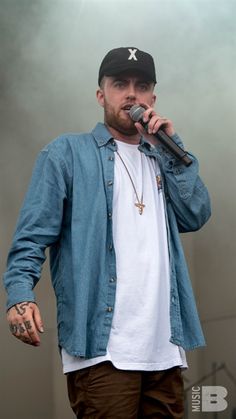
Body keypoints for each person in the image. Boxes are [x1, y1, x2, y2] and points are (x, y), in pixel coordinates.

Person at [3, 47, 211, 418]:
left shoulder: (162, 160)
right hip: (103, 352)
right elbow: (32, 238)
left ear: (152, 98)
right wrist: (20, 296)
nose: (132, 94)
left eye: (142, 85)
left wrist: (173, 146)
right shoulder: (66, 153)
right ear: (102, 95)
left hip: (164, 349)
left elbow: (196, 214)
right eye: (120, 84)